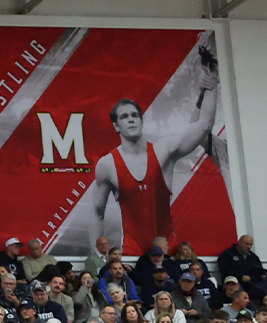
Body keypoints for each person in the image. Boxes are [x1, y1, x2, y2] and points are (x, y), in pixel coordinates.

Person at [84, 68, 219, 255]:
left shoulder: (163, 151)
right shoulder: (108, 165)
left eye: (134, 115)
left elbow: (204, 124)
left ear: (141, 120)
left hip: (168, 247)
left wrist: (212, 83)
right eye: (124, 117)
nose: (131, 120)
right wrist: (98, 255)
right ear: (116, 126)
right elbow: (96, 211)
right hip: (134, 249)